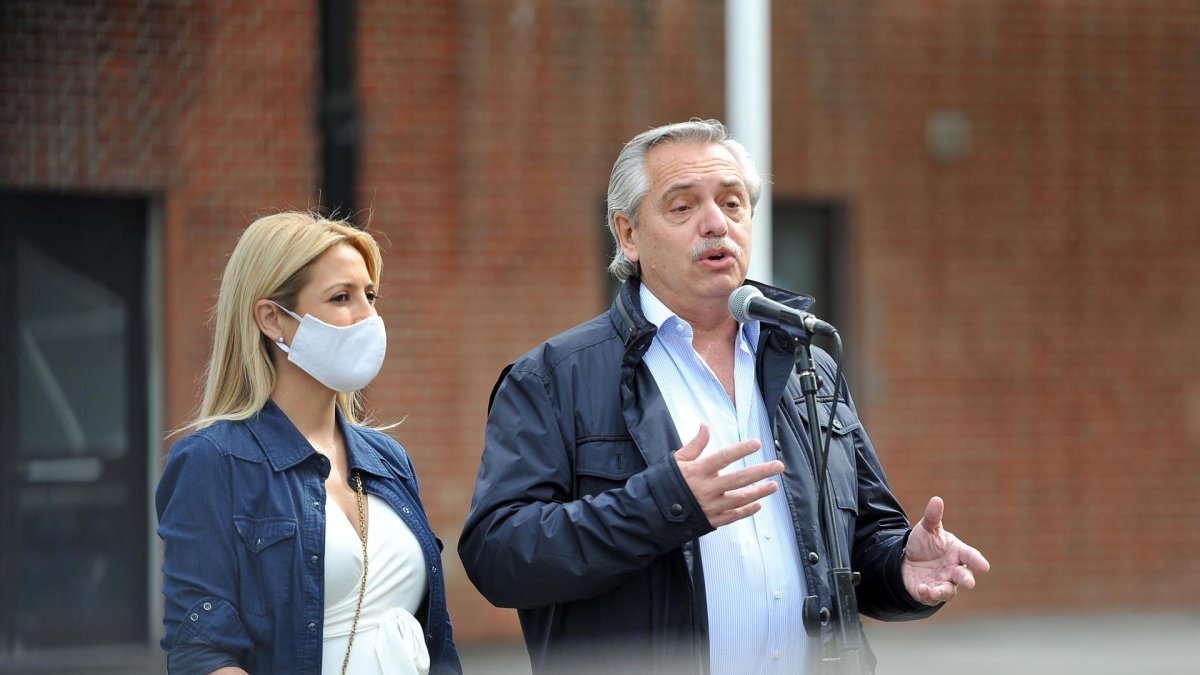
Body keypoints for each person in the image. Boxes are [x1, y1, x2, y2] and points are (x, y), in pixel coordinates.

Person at [458, 119, 990, 674]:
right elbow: (498, 556)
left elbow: (857, 544)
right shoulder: (553, 378)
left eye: (733, 204)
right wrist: (663, 505)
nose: (716, 223)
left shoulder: (808, 362)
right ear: (628, 234)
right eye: (683, 207)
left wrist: (901, 569)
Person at [156, 212, 462, 675]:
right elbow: (203, 653)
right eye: (342, 297)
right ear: (273, 319)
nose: (369, 316)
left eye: (371, 295)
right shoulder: (214, 460)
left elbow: (437, 640)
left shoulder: (388, 459)